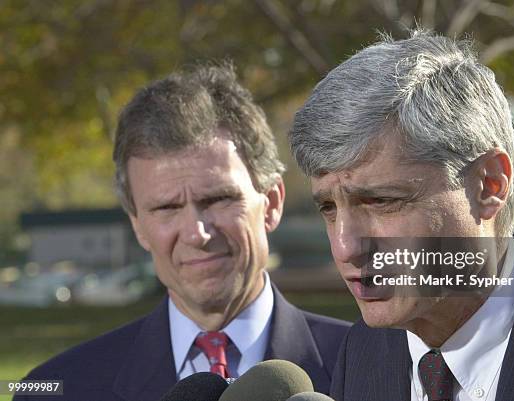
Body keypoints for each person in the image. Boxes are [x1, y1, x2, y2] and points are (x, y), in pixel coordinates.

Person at [288, 30, 514, 401]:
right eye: (328, 208)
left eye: (380, 201)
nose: (345, 247)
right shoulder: (364, 350)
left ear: (490, 184)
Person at [17, 64, 349, 401]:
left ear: (272, 203)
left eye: (218, 199)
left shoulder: (383, 369)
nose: (197, 234)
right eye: (166, 208)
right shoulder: (55, 388)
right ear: (137, 225)